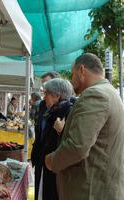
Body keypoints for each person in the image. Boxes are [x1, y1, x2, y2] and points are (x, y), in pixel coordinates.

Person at [45, 53, 124, 200]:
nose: (71, 79)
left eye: (72, 74)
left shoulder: (95, 94)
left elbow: (77, 146)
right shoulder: (110, 92)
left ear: (82, 70)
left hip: (90, 190)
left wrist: (51, 160)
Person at [31, 78, 74, 200]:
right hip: (43, 163)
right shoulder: (49, 111)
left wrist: (62, 131)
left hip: (55, 169)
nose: (44, 97)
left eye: (46, 94)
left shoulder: (69, 112)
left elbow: (74, 144)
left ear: (57, 95)